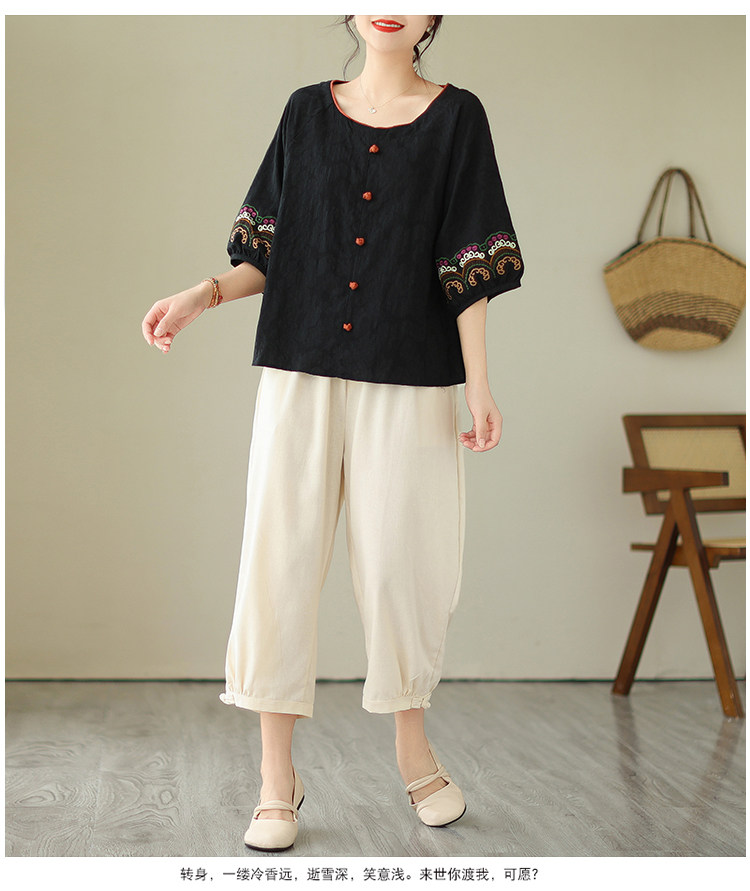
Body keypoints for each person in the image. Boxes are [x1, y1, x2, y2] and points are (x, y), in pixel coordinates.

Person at [141, 14, 524, 853]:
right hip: (299, 369)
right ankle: (276, 777)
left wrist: (480, 383)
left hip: (410, 371)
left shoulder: (459, 118)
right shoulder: (304, 114)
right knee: (277, 558)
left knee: (401, 565)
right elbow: (268, 251)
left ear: (434, 16)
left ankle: (414, 753)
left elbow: (468, 263)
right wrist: (202, 294)